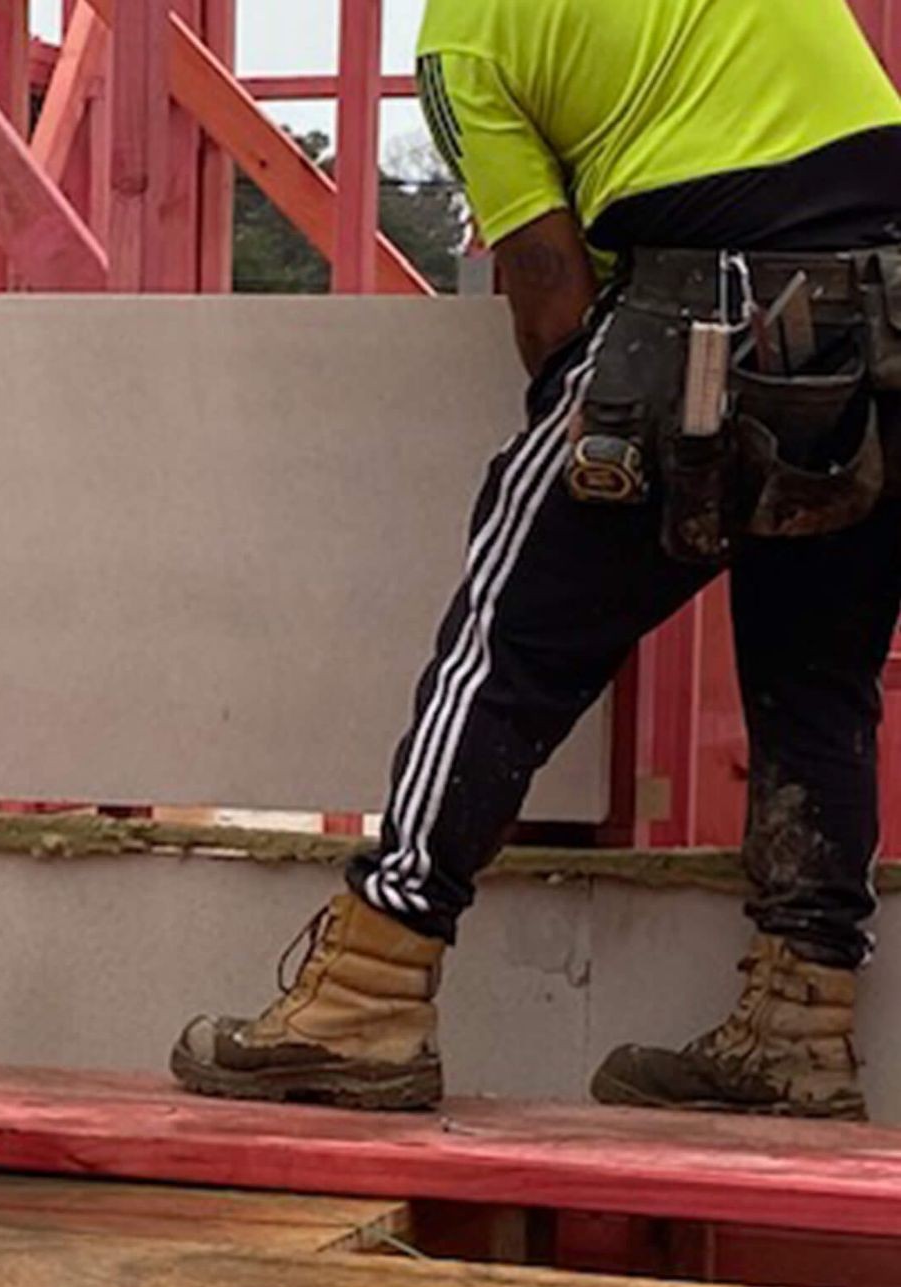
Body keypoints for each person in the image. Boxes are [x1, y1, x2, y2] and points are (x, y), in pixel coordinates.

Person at [173, 0, 901, 1124]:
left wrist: (583, 480)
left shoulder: (466, 35)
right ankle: (799, 1024)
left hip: (709, 311)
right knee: (818, 682)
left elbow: (549, 291)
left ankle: (366, 993)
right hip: (888, 335)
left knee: (504, 646)